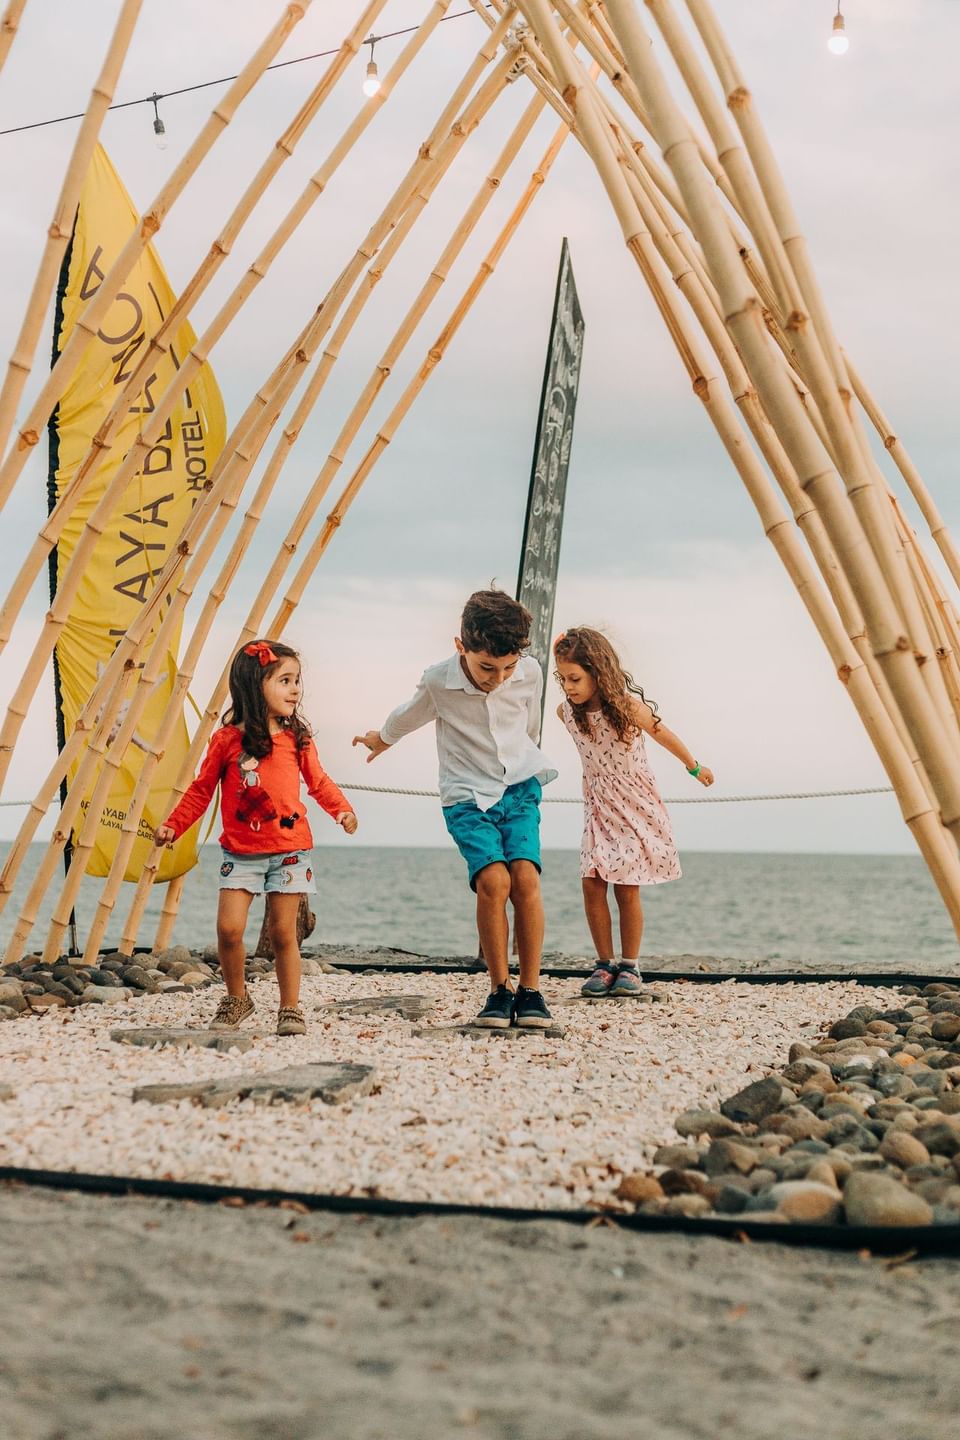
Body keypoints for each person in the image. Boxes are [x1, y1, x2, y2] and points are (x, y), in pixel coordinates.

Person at [353, 589, 557, 1030]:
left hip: (518, 787)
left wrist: (525, 762)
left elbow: (532, 726)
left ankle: (532, 990)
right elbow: (409, 716)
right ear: (460, 646)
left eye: (506, 668)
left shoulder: (529, 673)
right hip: (466, 795)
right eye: (487, 667)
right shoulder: (438, 681)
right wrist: (381, 739)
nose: (497, 678)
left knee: (524, 878)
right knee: (494, 881)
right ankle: (500, 990)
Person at [155, 640, 357, 1036]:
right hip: (241, 852)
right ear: (253, 684)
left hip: (290, 850)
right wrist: (174, 825)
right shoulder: (227, 740)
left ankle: (290, 1007)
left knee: (285, 932)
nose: (295, 689)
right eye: (284, 680)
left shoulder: (297, 737)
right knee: (228, 929)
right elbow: (200, 790)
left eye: (297, 680)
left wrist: (341, 809)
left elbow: (318, 781)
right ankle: (237, 998)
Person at [552, 627, 713, 998]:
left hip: (633, 804)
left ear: (598, 672)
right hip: (598, 805)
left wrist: (694, 767)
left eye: (575, 678)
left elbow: (663, 734)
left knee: (626, 885)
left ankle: (630, 965)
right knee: (592, 882)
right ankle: (603, 963)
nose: (569, 687)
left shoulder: (627, 708)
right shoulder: (567, 713)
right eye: (563, 679)